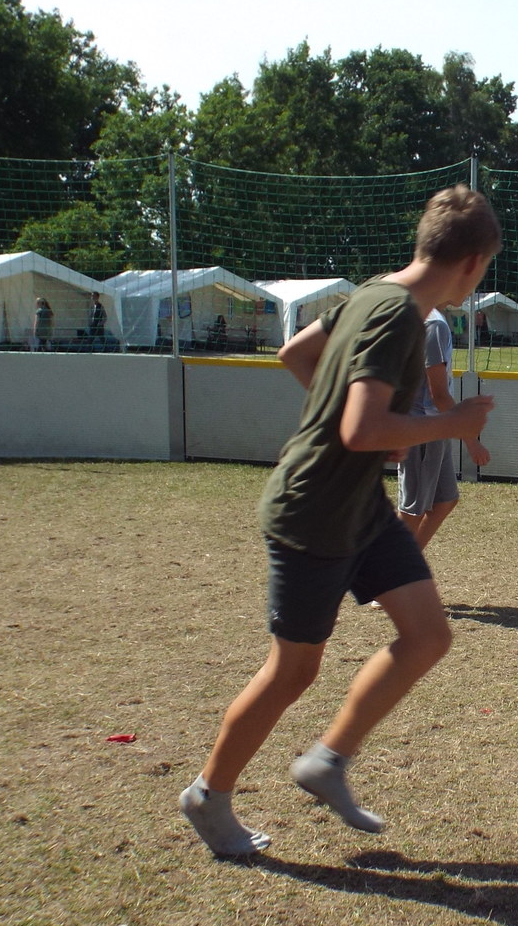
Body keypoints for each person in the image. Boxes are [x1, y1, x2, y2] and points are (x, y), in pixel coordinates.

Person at [179, 185, 501, 858]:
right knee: (293, 672)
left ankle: (327, 761)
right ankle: (207, 795)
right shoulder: (399, 318)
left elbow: (295, 354)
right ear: (473, 263)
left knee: (427, 635)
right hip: (314, 512)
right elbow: (360, 429)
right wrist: (449, 423)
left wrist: (368, 426)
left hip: (360, 507)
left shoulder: (372, 293)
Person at [395, 304, 489, 551]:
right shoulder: (434, 324)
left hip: (434, 426)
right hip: (423, 427)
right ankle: (385, 568)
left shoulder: (430, 319)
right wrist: (471, 440)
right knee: (413, 509)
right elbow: (438, 394)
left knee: (445, 500)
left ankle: (406, 563)